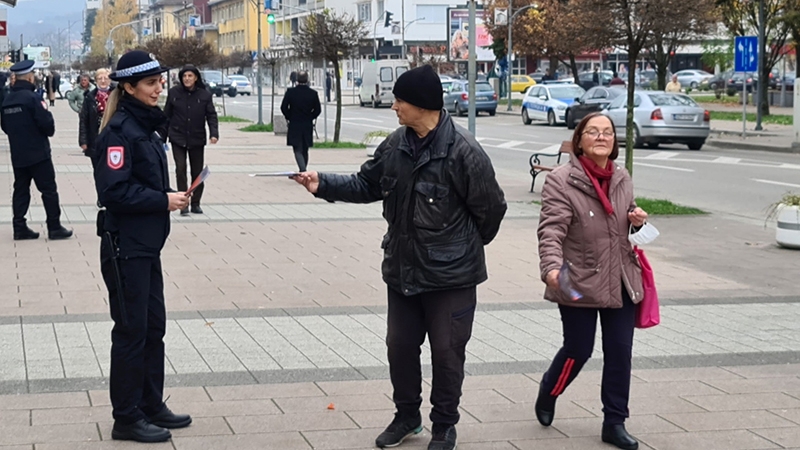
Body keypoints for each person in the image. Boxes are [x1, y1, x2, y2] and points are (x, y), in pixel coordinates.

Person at [293, 65, 507, 450]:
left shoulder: (463, 151)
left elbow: (491, 211)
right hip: (403, 270)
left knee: (447, 353)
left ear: (422, 105)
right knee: (400, 347)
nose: (393, 106)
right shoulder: (395, 145)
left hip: (451, 279)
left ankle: (444, 425)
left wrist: (458, 250)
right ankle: (407, 416)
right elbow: (367, 184)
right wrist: (321, 183)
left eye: (400, 100)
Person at [94, 50, 192, 443]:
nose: (158, 88)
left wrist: (166, 196)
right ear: (129, 87)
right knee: (132, 331)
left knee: (154, 327)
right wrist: (162, 199)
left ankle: (151, 403)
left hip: (146, 246)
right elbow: (114, 192)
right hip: (126, 247)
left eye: (159, 81)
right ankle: (126, 416)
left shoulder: (145, 127)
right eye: (151, 83)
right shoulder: (118, 132)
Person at [534, 111, 648, 450]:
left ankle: (615, 422)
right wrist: (552, 268)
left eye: (608, 132)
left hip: (620, 276)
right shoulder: (561, 179)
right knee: (578, 348)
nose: (602, 137)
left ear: (614, 141)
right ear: (580, 140)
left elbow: (623, 222)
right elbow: (551, 229)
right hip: (574, 277)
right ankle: (549, 391)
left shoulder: (622, 176)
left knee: (619, 352)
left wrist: (637, 222)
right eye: (594, 132)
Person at [1, 60, 73, 241]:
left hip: (18, 153)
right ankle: (54, 226)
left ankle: (19, 227)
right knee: (48, 190)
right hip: (38, 153)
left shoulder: (7, 100)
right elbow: (47, 124)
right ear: (31, 77)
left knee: (21, 190)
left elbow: (5, 126)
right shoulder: (33, 98)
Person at [164, 64, 219, 215]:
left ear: (196, 78)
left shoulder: (204, 95)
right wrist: (162, 138)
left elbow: (211, 116)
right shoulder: (174, 93)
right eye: (184, 76)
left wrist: (214, 133)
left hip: (196, 138)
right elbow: (166, 116)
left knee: (197, 172)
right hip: (177, 137)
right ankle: (183, 202)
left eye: (190, 76)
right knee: (180, 168)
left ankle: (196, 202)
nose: (187, 79)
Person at [280, 71, 320, 172]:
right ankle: (304, 169)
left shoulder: (290, 92)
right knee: (305, 149)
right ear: (307, 79)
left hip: (294, 123)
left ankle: (303, 170)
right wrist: (310, 116)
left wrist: (289, 116)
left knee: (297, 148)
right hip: (307, 124)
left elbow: (283, 107)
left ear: (297, 79)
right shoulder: (313, 93)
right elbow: (318, 110)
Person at [80, 68, 113, 164]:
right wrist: (83, 141)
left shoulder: (116, 95)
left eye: (106, 78)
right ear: (95, 80)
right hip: (95, 137)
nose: (103, 81)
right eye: (100, 78)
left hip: (113, 136)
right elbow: (84, 120)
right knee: (98, 167)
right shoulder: (90, 97)